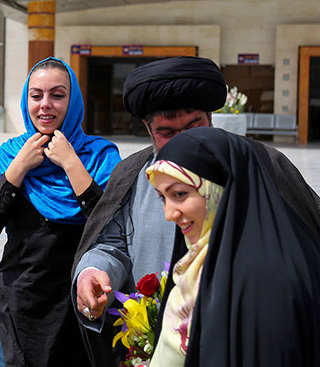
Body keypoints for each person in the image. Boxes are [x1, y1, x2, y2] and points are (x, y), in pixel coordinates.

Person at [71, 56, 320, 366]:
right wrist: (94, 271)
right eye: (167, 132)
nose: (185, 141)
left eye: (193, 126)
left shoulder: (264, 167)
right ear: (149, 131)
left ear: (211, 119)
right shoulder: (132, 175)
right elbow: (114, 242)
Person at [0, 56, 121, 366]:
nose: (45, 105)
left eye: (57, 95)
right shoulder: (7, 155)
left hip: (79, 307)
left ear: (73, 99)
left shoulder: (101, 155)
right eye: (36, 95)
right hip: (20, 306)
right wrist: (19, 168)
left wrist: (71, 163)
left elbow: (111, 227)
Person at [146, 127, 320, 366]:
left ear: (221, 189)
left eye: (180, 194)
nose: (169, 213)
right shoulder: (199, 262)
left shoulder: (266, 284)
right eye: (162, 197)